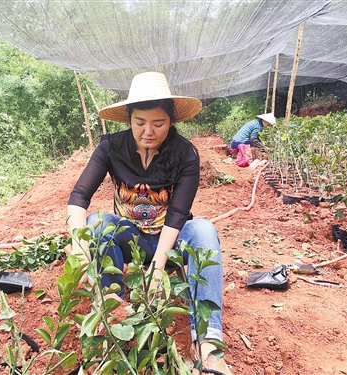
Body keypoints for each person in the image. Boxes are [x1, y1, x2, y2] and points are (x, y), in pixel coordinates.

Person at [67, 72, 232, 375]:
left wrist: (158, 268)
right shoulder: (110, 148)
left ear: (171, 121)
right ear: (128, 119)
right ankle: (114, 315)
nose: (148, 132)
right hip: (130, 239)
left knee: (204, 231)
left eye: (159, 124)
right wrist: (78, 247)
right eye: (140, 123)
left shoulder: (185, 154)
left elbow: (178, 214)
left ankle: (207, 344)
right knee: (97, 223)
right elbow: (79, 196)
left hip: (171, 238)